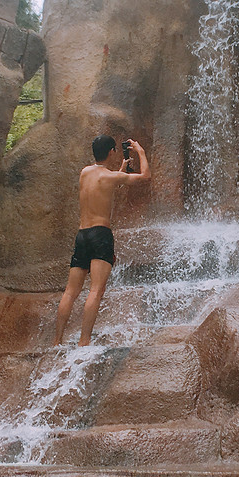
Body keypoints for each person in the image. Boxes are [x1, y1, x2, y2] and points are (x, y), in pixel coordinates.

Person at [55, 135, 150, 346]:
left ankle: (57, 340)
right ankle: (84, 340)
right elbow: (145, 177)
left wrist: (121, 169)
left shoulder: (84, 173)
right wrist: (140, 151)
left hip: (82, 236)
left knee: (71, 291)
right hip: (100, 235)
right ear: (111, 152)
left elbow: (104, 184)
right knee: (96, 290)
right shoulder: (110, 177)